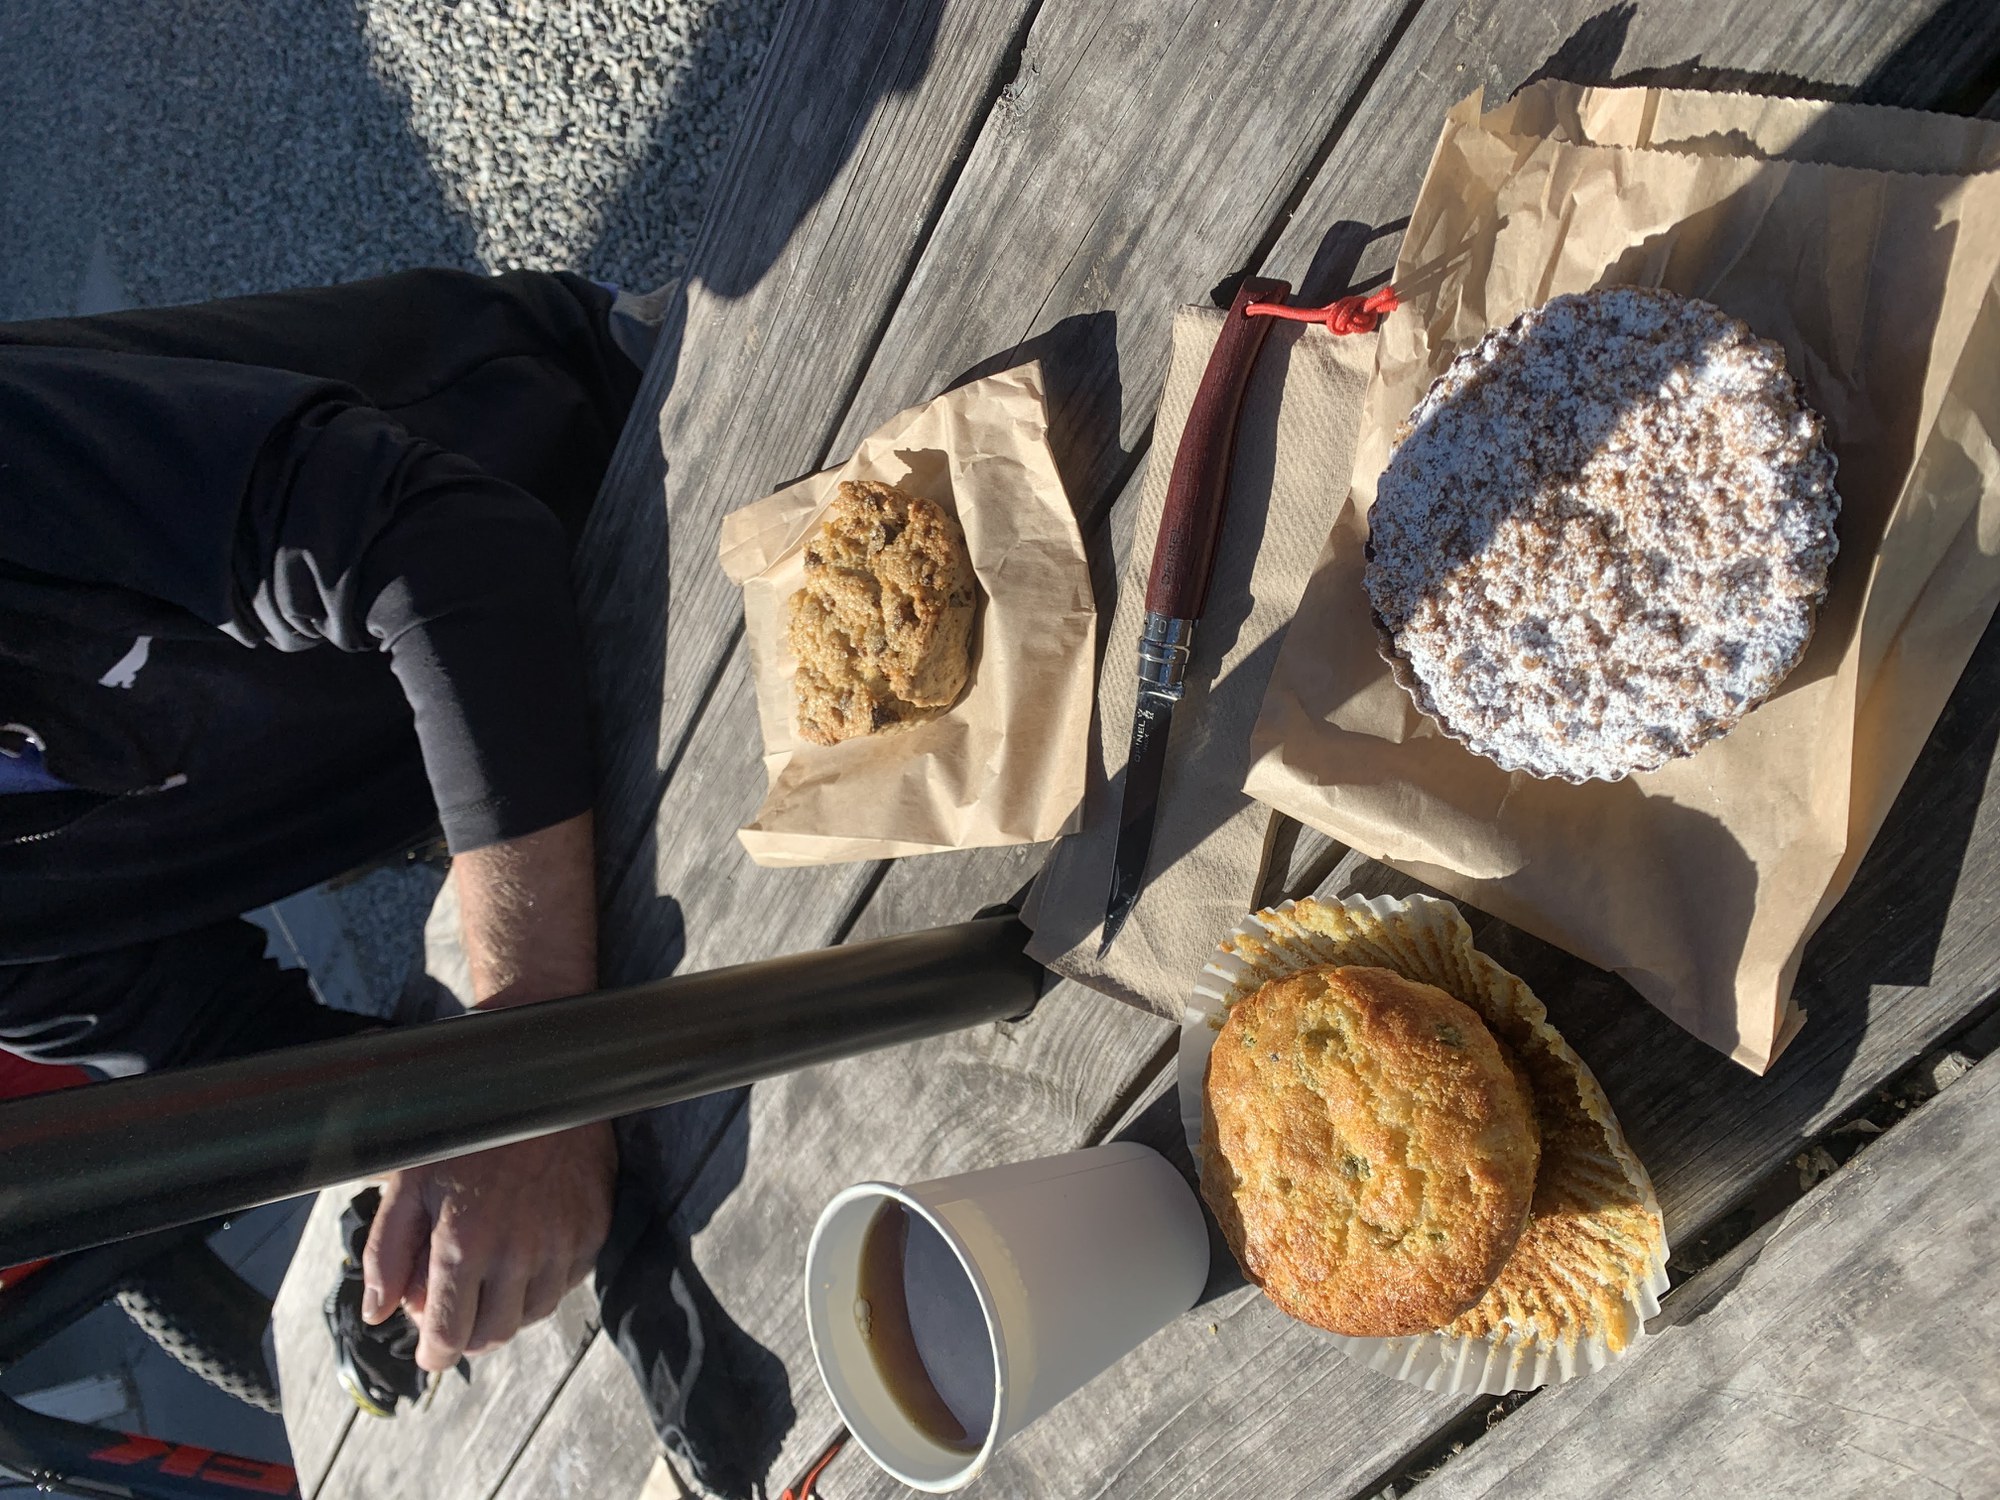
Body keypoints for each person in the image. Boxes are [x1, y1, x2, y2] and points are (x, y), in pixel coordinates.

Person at [0, 268, 658, 1376]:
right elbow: (214, 1045)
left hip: (641, 467)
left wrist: (529, 1069)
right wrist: (425, 1149)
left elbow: (442, 546)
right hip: (576, 795)